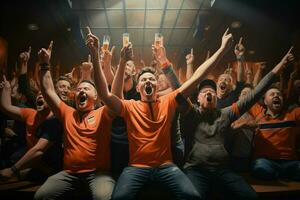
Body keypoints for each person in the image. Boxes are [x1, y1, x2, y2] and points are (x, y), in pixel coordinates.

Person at [86, 27, 234, 200]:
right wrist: (96, 55)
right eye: (143, 80)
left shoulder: (168, 100)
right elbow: (104, 94)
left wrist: (222, 49)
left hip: (166, 167)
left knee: (192, 196)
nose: (148, 81)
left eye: (151, 79)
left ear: (156, 86)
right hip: (136, 167)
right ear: (139, 87)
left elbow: (197, 78)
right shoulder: (129, 106)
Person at [179, 47, 293, 200]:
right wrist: (165, 62)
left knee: (250, 197)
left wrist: (280, 65)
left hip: (223, 170)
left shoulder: (226, 113)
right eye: (204, 91)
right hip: (196, 170)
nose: (209, 93)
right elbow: (179, 90)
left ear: (216, 98)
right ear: (197, 99)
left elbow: (256, 93)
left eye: (212, 92)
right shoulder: (191, 113)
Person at [34, 41, 116, 200]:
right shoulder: (68, 113)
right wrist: (44, 64)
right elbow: (49, 91)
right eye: (78, 89)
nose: (81, 91)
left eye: (86, 89)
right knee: (40, 196)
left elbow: (109, 93)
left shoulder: (104, 113)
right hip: (69, 174)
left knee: (103, 198)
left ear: (96, 96)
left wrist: (95, 56)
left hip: (98, 174)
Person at [0, 77, 63, 180]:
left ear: (52, 101)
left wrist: (12, 170)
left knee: (24, 174)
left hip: (49, 164)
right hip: (34, 157)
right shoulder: (31, 113)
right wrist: (6, 89)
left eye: (44, 95)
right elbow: (6, 107)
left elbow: (39, 150)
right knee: (13, 157)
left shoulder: (54, 121)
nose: (40, 96)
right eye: (38, 95)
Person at [251, 83, 300, 181]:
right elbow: (249, 97)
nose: (276, 95)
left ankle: (279, 174)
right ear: (265, 101)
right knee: (260, 169)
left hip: (290, 161)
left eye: (279, 94)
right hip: (265, 161)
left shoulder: (293, 113)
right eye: (272, 94)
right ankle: (283, 175)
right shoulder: (258, 113)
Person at [216, 37, 246, 108]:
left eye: (226, 80)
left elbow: (240, 80)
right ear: (217, 84)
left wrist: (239, 57)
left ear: (230, 85)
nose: (223, 81)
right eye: (221, 79)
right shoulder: (211, 97)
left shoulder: (232, 97)